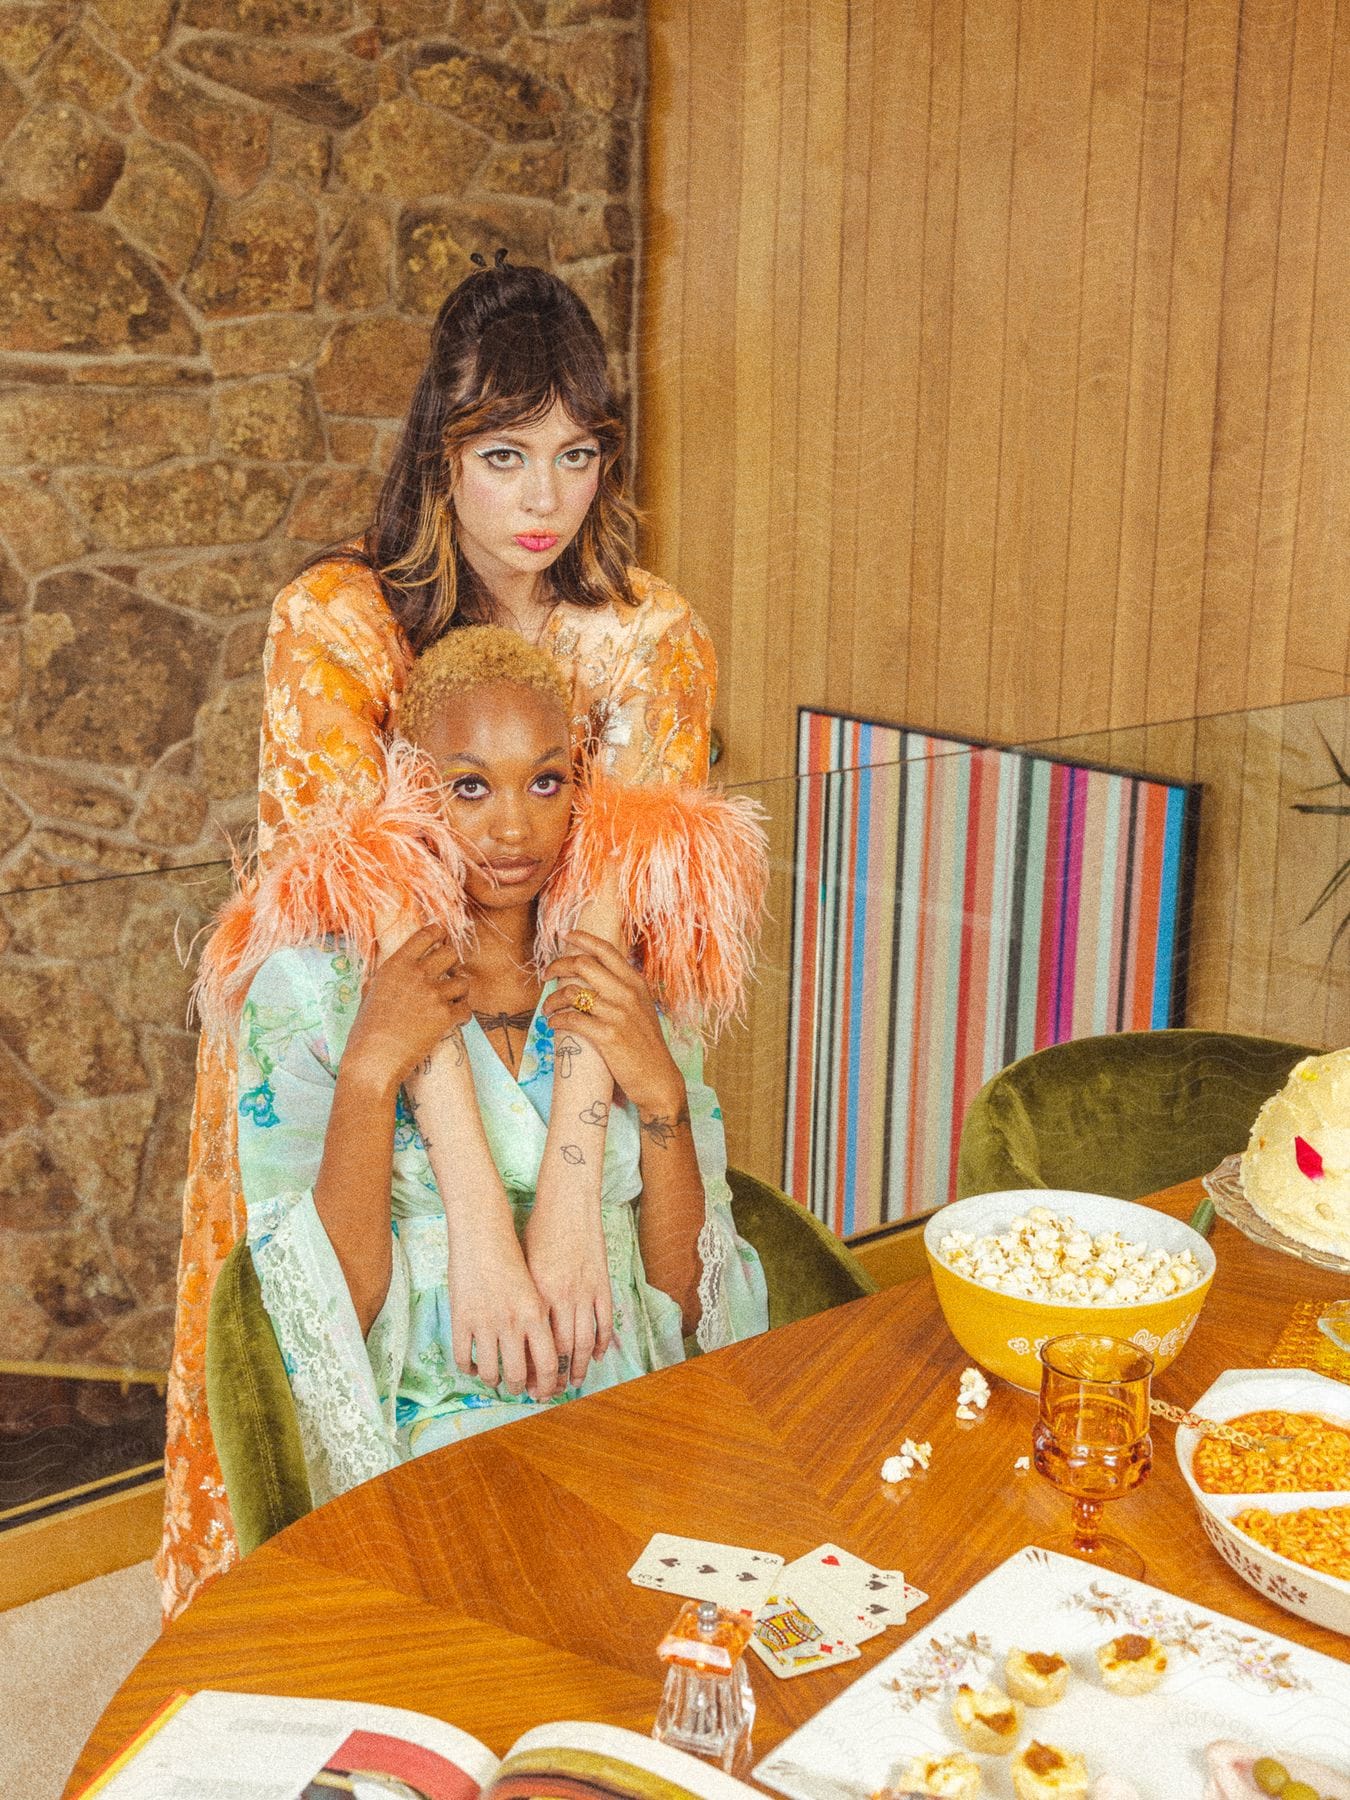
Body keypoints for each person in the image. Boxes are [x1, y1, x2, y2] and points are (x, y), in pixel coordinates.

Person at [161, 255, 721, 1616]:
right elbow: (380, 921)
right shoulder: (337, 623)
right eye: (504, 453)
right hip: (358, 1058)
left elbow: (609, 923)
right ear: (441, 450)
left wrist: (573, 1203)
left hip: (560, 1071)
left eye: (576, 454)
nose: (543, 499)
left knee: (578, 1448)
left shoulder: (650, 639)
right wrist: (477, 1211)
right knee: (305, 1435)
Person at [228, 628, 768, 1497]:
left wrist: (660, 1088)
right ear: (409, 788)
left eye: (545, 783)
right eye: (470, 787)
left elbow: (694, 1310)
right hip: (431, 1452)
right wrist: (371, 1071)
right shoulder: (310, 989)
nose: (514, 828)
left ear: (579, 790)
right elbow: (323, 1318)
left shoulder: (632, 980)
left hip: (629, 1420)